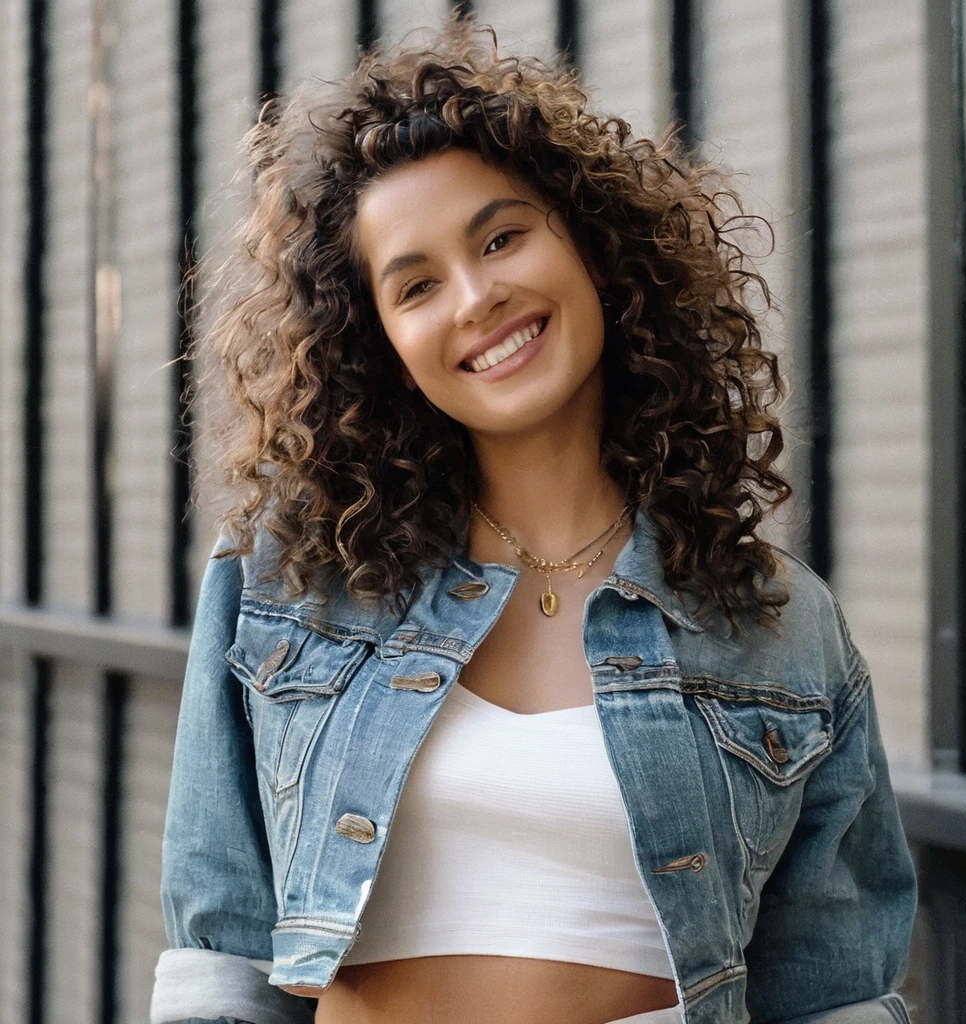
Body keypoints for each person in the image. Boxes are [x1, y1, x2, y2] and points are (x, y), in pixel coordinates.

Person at [150, 17, 917, 1024]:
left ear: (593, 244)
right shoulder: (287, 578)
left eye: (502, 236)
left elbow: (835, 996)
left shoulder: (776, 622)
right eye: (415, 284)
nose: (475, 297)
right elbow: (221, 959)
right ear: (378, 340)